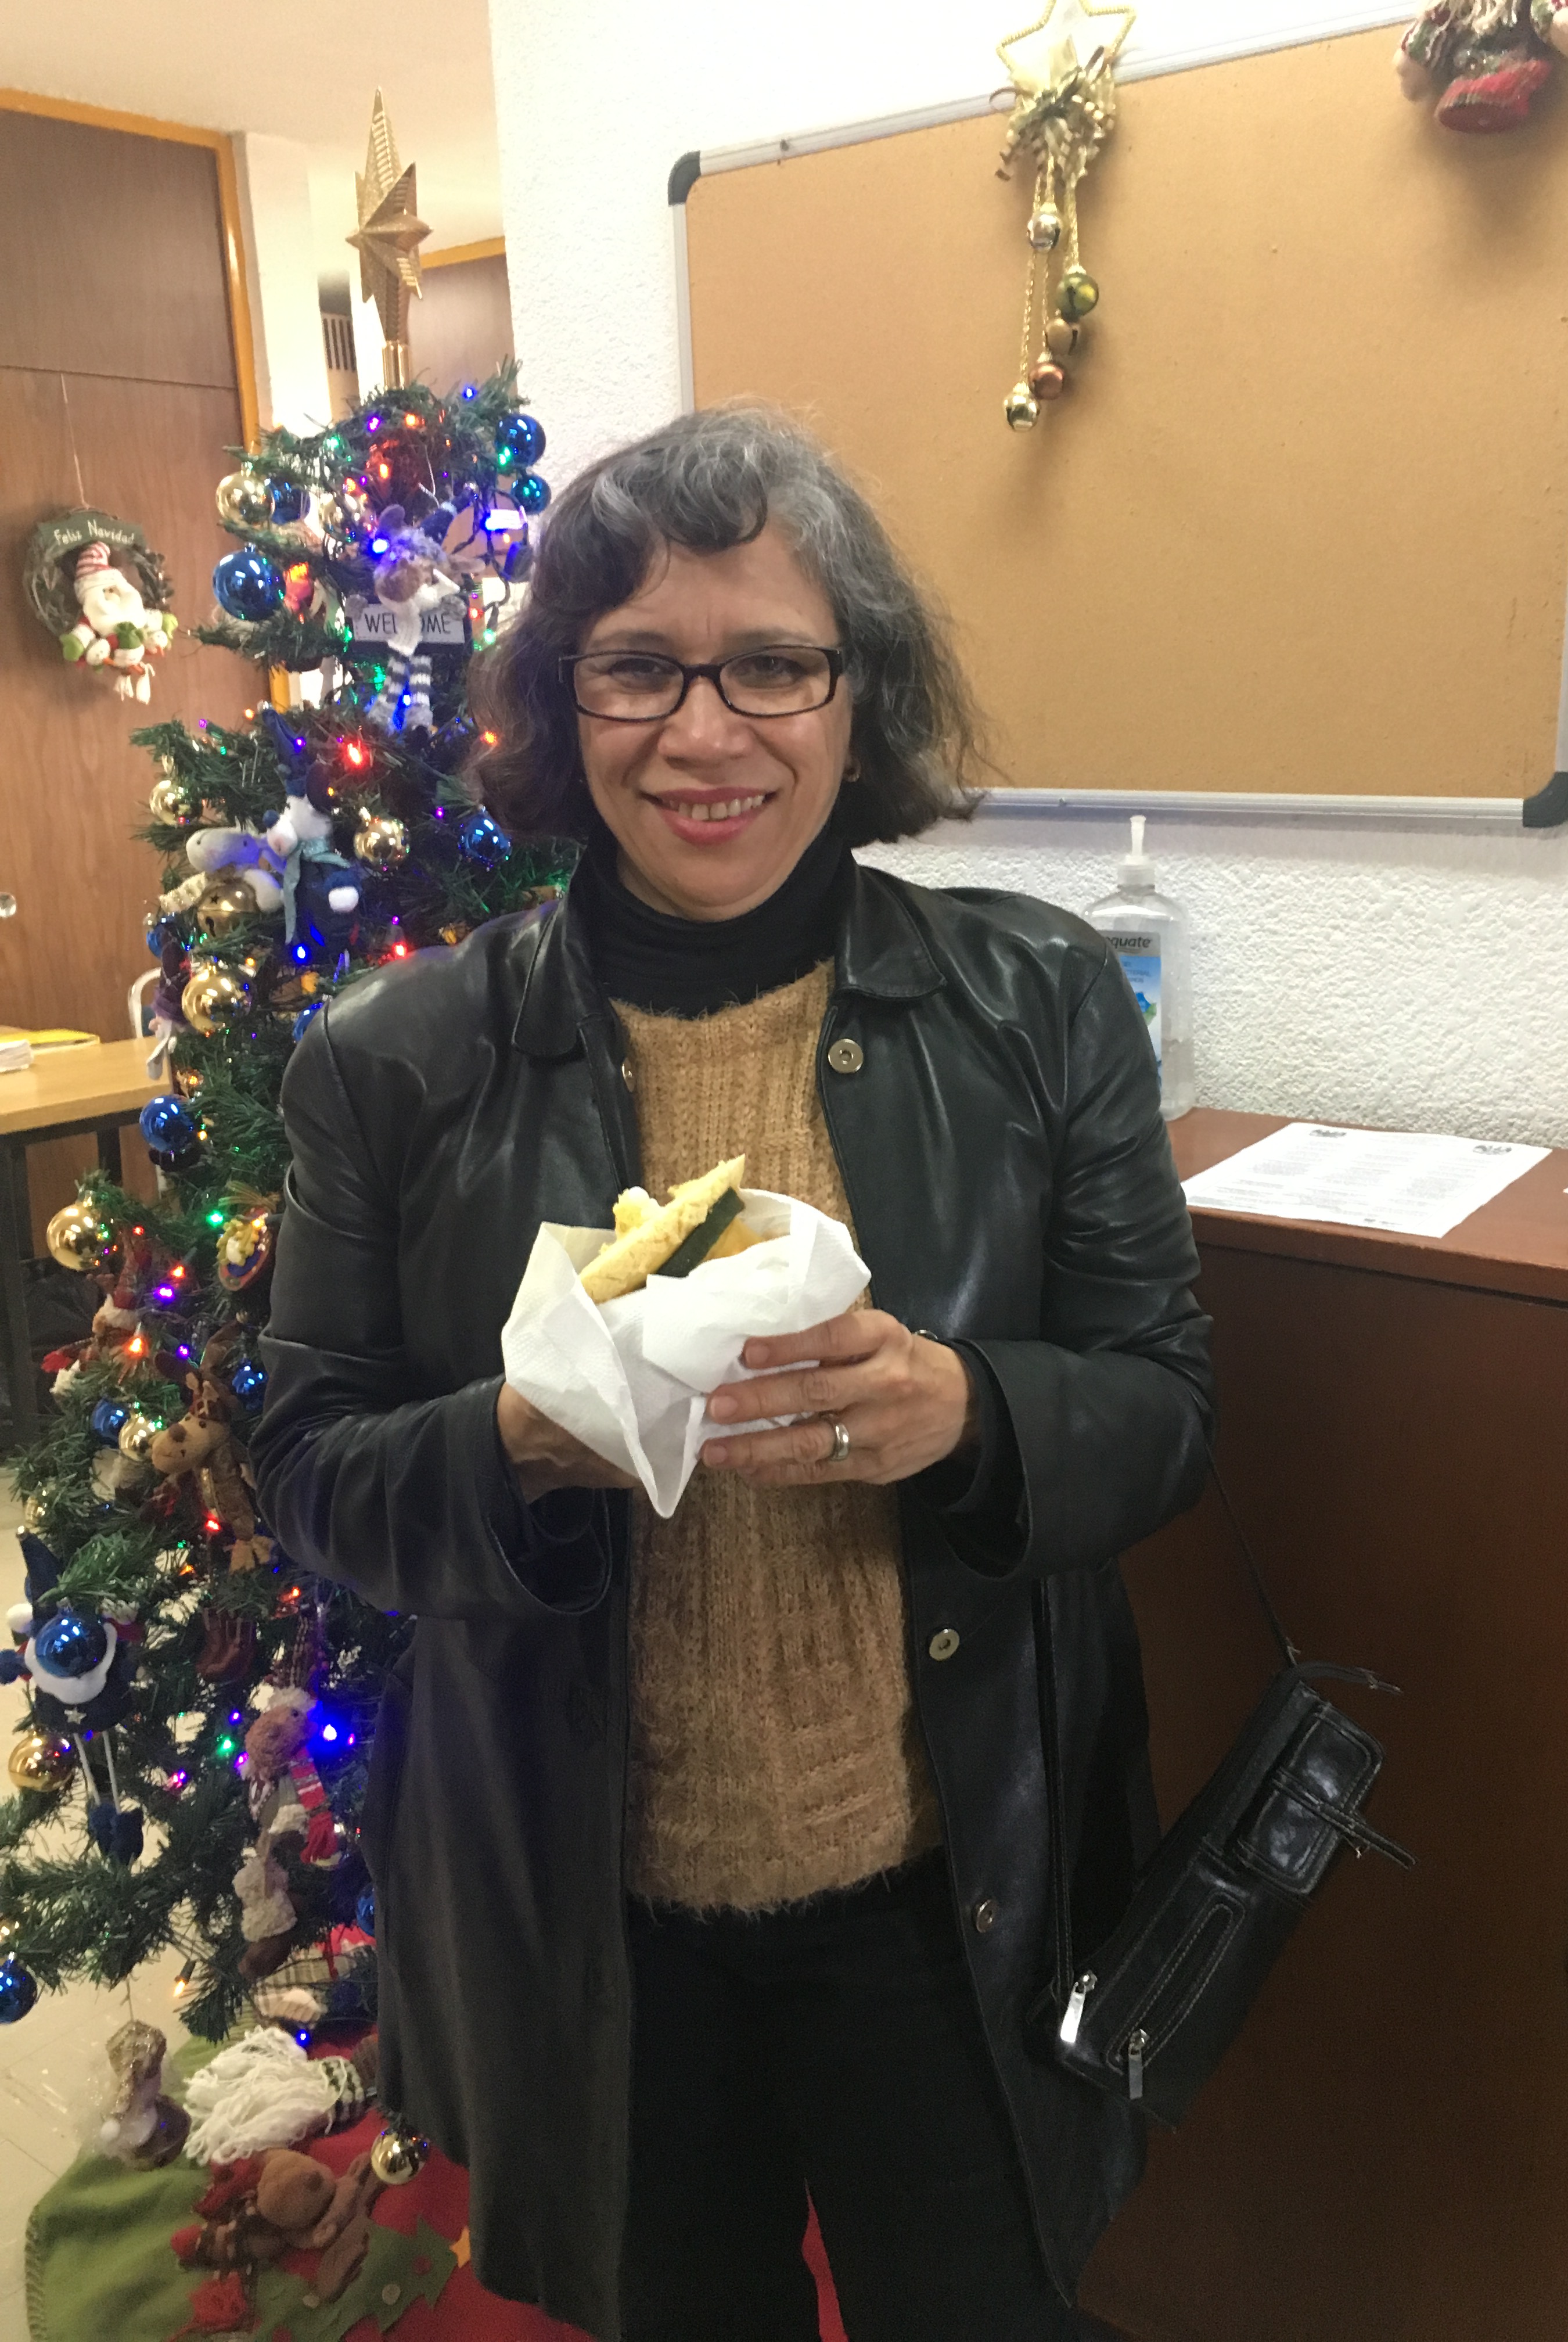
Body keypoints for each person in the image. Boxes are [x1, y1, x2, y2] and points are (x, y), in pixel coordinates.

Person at [255, 405, 1214, 2342]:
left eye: (773, 663)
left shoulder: (1036, 1006)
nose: (707, 734)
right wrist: (516, 1445)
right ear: (563, 697)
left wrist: (970, 1414)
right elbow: (310, 1471)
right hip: (590, 1931)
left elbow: (1168, 1407)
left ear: (862, 695)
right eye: (639, 667)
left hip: (952, 1901)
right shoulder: (393, 1063)